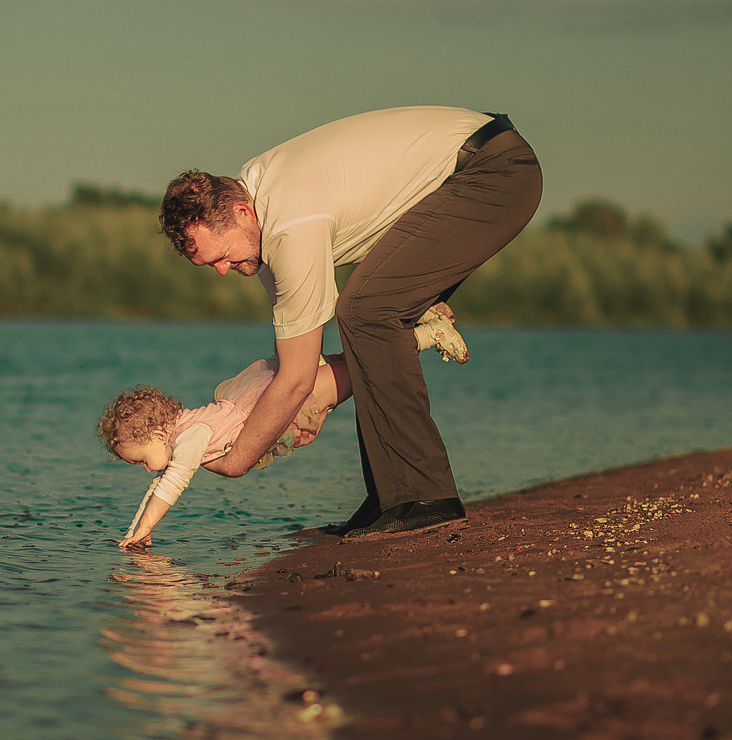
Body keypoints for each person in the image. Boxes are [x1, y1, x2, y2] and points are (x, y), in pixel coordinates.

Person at [158, 107, 543, 539]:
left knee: (366, 312)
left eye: (223, 256)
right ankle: (393, 493)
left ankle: (425, 496)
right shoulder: (261, 208)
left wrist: (238, 459)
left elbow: (297, 379)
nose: (223, 271)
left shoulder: (289, 223)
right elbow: (300, 364)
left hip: (494, 173)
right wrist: (304, 411)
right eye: (211, 264)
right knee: (367, 321)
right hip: (473, 170)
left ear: (241, 212)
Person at [101, 306, 469, 549]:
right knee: (355, 363)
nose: (147, 468)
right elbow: (157, 486)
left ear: (154, 433)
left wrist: (148, 527)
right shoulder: (184, 431)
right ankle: (414, 332)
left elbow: (172, 483)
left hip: (288, 398)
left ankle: (425, 335)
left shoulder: (190, 437)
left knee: (361, 371)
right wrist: (137, 532)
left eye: (140, 460)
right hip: (266, 392)